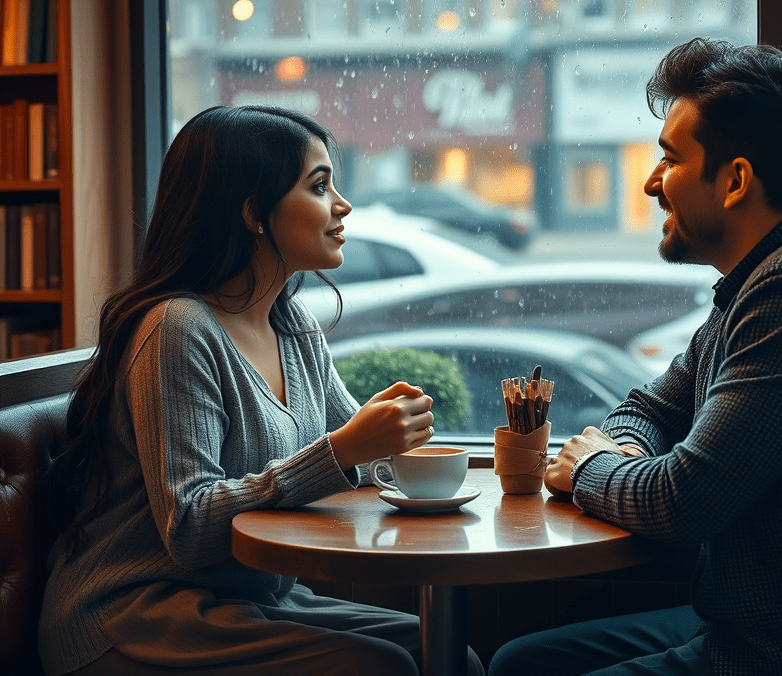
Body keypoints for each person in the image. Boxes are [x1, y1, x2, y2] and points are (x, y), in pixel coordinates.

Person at [489, 39, 782, 675]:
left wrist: (593, 467)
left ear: (735, 181)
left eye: (670, 159)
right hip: (763, 627)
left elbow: (680, 503)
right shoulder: (764, 278)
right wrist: (625, 450)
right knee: (524, 662)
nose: (651, 182)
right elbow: (648, 406)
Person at [39, 105, 485, 676]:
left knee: (453, 659)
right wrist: (346, 448)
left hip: (250, 600)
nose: (343, 206)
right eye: (319, 186)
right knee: (383, 668)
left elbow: (359, 467)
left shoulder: (291, 324)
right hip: (134, 610)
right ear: (253, 211)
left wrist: (389, 441)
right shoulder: (178, 329)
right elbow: (192, 528)